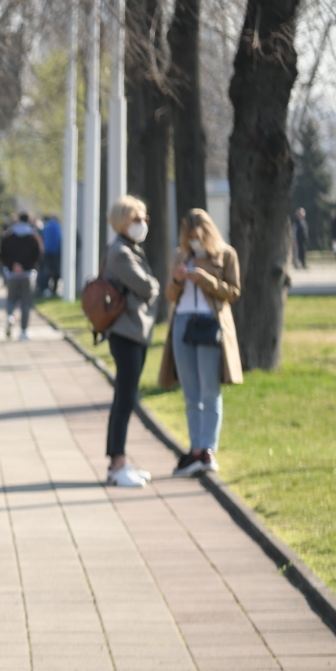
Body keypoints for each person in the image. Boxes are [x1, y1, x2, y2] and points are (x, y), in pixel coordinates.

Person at [159, 208, 242, 477]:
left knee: (209, 389)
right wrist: (177, 279)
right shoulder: (181, 255)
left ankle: (208, 449)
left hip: (209, 324)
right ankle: (194, 449)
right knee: (190, 391)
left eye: (197, 235)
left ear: (207, 232)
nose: (193, 240)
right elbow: (171, 295)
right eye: (188, 235)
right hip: (182, 322)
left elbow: (233, 292)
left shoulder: (226, 254)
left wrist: (205, 280)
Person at [102, 196, 161, 488]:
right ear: (122, 220)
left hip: (134, 331)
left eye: (144, 219)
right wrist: (154, 286)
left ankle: (119, 462)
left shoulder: (128, 249)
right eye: (136, 219)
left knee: (125, 398)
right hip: (126, 332)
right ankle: (117, 464)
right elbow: (146, 285)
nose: (142, 225)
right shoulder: (120, 252)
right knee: (124, 400)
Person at [0, 212, 44, 340]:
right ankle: (23, 331)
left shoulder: (8, 236)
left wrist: (13, 265)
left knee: (11, 299)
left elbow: (2, 254)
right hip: (28, 274)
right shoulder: (34, 237)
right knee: (26, 302)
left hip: (12, 274)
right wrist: (25, 266)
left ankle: (9, 316)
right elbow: (38, 255)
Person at [38, 213, 63, 297]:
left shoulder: (46, 226)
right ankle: (54, 289)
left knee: (46, 271)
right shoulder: (58, 227)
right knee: (55, 272)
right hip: (56, 253)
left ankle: (45, 288)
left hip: (46, 252)